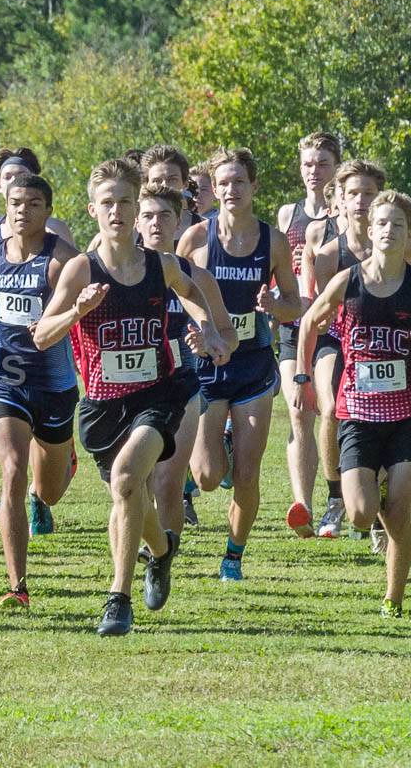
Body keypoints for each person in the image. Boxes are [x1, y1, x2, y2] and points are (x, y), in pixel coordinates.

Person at [37, 159, 229, 636]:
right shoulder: (81, 268)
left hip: (159, 393)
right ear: (92, 210)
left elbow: (188, 289)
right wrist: (76, 311)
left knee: (126, 481)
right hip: (103, 405)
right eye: (108, 204)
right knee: (131, 498)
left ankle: (116, 600)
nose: (118, 212)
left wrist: (206, 329)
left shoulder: (158, 264)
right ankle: (161, 551)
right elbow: (42, 335)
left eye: (126, 202)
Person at [178, 148, 301, 581]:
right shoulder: (195, 240)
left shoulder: (274, 242)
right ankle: (221, 447)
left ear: (254, 186)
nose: (231, 190)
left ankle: (233, 556)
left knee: (247, 474)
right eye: (223, 183)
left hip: (252, 365)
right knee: (208, 476)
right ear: (213, 187)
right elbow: (177, 292)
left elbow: (294, 305)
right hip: (208, 367)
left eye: (239, 182)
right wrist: (199, 331)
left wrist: (274, 305)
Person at [295, 189, 411, 617]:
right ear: (369, 227)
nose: (388, 230)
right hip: (358, 414)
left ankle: (393, 598)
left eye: (397, 224)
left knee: (401, 511)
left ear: (408, 233)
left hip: (405, 415)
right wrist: (302, 375)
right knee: (361, 515)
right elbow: (309, 322)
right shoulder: (350, 280)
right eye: (382, 223)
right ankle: (375, 494)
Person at [0, 174, 80, 608]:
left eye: (33, 204)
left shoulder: (62, 262)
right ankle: (17, 584)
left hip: (54, 384)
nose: (22, 211)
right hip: (5, 377)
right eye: (15, 203)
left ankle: (56, 466)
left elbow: (81, 315)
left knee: (48, 491)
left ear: (47, 211)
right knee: (12, 468)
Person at [135, 183, 237, 544]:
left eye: (165, 216)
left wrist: (213, 342)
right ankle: (149, 550)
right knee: (134, 484)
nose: (156, 223)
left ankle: (159, 563)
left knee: (167, 483)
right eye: (147, 215)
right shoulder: (117, 275)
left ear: (179, 223)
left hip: (182, 389)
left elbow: (228, 334)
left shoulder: (197, 277)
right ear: (136, 220)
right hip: (129, 391)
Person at [299, 160, 384, 539]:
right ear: (340, 201)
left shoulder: (400, 246)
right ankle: (335, 497)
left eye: (369, 193)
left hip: (386, 344)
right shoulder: (331, 253)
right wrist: (303, 371)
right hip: (338, 341)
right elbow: (318, 316)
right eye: (354, 193)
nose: (362, 201)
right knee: (332, 407)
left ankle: (378, 499)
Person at [275, 132, 341, 535]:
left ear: (335, 167)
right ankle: (302, 503)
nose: (313, 171)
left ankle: (338, 495)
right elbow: (277, 268)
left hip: (331, 329)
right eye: (307, 164)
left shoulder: (347, 213)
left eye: (321, 163)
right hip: (293, 326)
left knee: (328, 411)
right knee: (299, 410)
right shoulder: (288, 214)